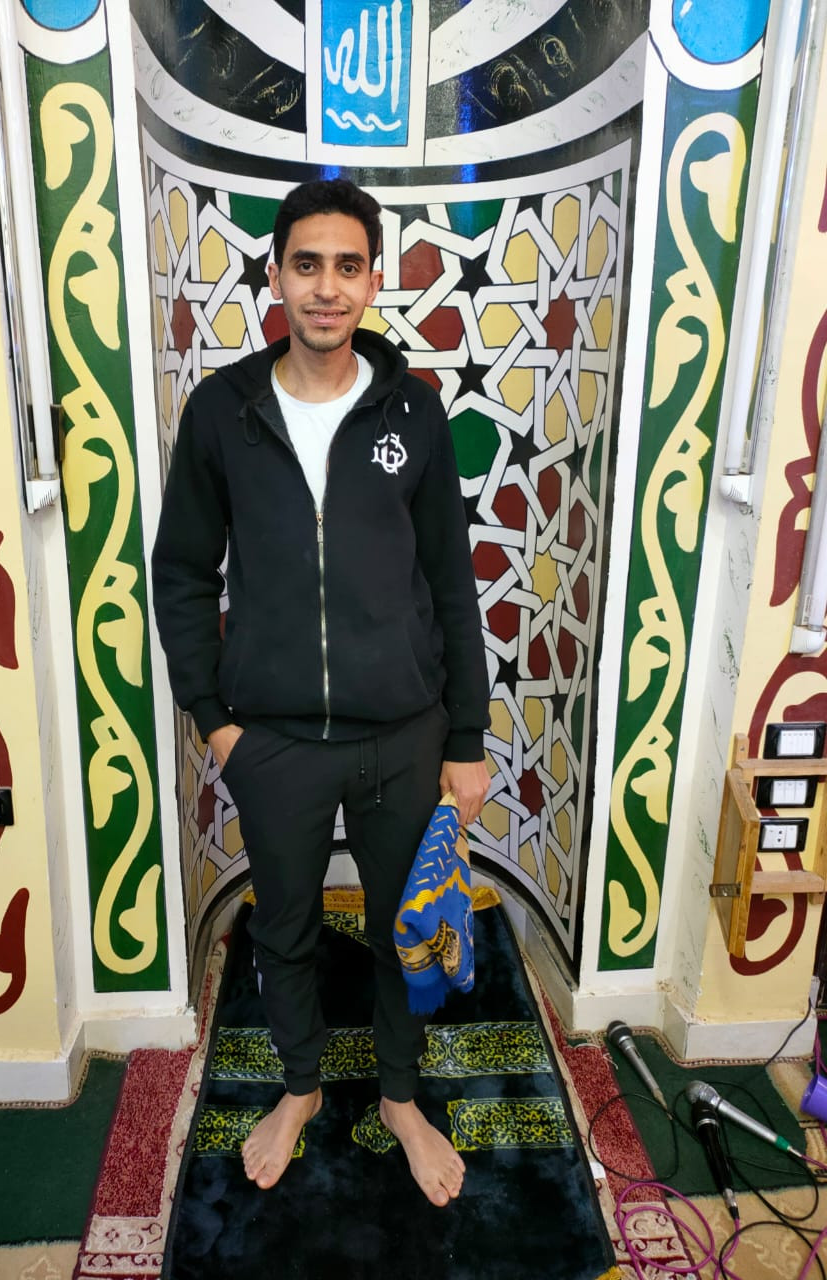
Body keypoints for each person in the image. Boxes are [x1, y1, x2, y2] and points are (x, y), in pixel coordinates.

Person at [151, 178, 490, 1207]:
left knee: (402, 925)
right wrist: (217, 723)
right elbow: (182, 572)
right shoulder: (223, 413)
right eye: (307, 265)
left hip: (403, 731)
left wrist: (466, 737)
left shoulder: (412, 411)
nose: (327, 287)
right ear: (277, 277)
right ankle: (300, 1085)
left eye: (347, 266)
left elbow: (450, 580)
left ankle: (399, 1096)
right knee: (286, 925)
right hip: (275, 742)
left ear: (374, 280)